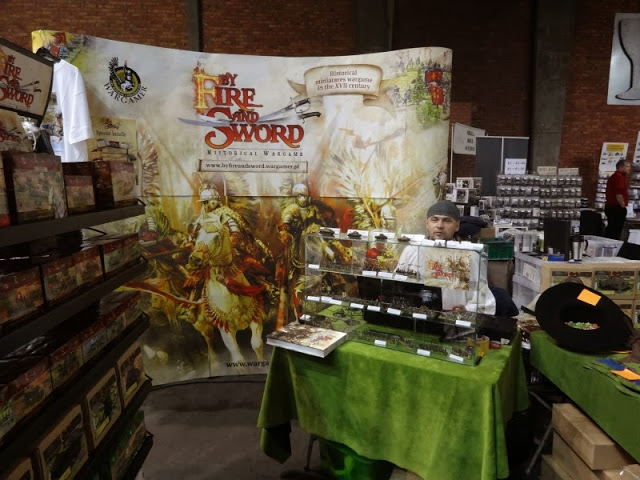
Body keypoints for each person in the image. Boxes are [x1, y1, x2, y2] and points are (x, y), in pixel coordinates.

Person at [395, 200, 497, 314]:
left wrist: (467, 310)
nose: (439, 226)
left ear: (457, 226)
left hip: (452, 319)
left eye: (447, 220)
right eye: (434, 220)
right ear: (427, 224)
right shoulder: (412, 251)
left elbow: (483, 300)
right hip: (414, 316)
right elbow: (397, 287)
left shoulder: (468, 256)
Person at [605, 160, 631, 240]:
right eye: (627, 166)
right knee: (616, 231)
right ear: (621, 167)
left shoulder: (613, 177)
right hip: (616, 207)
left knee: (611, 229)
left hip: (610, 207)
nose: (629, 168)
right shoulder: (619, 177)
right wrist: (623, 206)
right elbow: (619, 194)